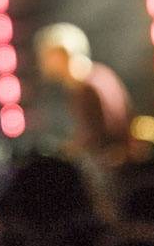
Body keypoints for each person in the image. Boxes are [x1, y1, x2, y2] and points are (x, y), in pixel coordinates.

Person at [35, 22, 135, 168]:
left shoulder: (87, 88)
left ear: (62, 53)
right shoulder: (101, 74)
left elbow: (97, 139)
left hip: (111, 171)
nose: (42, 62)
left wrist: (64, 152)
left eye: (47, 55)